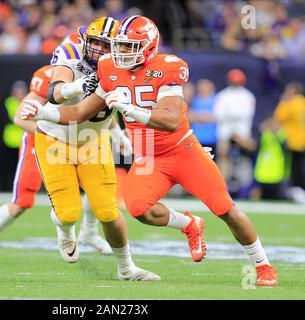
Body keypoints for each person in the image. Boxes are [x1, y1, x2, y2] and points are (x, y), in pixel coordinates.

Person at [21, 15, 278, 287]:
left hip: (183, 151)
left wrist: (130, 110)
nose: (121, 52)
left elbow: (170, 120)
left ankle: (263, 265)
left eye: (130, 46)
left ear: (149, 46)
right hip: (148, 157)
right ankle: (190, 224)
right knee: (138, 208)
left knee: (225, 209)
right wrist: (44, 112)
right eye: (119, 45)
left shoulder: (168, 67)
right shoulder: (109, 68)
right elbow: (81, 111)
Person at [17, 16, 160, 281]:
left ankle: (126, 269)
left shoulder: (124, 66)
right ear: (85, 41)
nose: (100, 51)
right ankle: (65, 229)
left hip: (93, 142)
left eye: (108, 46)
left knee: (107, 210)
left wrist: (119, 135)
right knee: (69, 213)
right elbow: (55, 92)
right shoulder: (71, 57)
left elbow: (103, 109)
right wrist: (76, 86)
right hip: (54, 140)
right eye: (96, 44)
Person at [0, 63, 122, 260]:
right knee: (23, 201)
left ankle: (89, 231)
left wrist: (118, 135)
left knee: (95, 188)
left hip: (80, 141)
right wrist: (53, 135)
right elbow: (20, 118)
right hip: (43, 141)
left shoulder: (96, 74)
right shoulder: (51, 76)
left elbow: (97, 110)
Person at [213, 69, 257, 197]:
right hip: (225, 131)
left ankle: (245, 188)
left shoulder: (248, 96)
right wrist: (231, 125)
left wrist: (235, 129)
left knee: (246, 156)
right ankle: (222, 187)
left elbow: (246, 114)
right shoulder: (223, 95)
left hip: (242, 131)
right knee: (223, 156)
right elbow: (219, 114)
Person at [274, 82, 305, 191]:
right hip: (302, 140)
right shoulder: (303, 102)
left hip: (291, 140)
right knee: (299, 166)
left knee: (292, 167)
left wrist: (283, 101)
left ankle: (294, 189)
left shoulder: (291, 102)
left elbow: (278, 116)